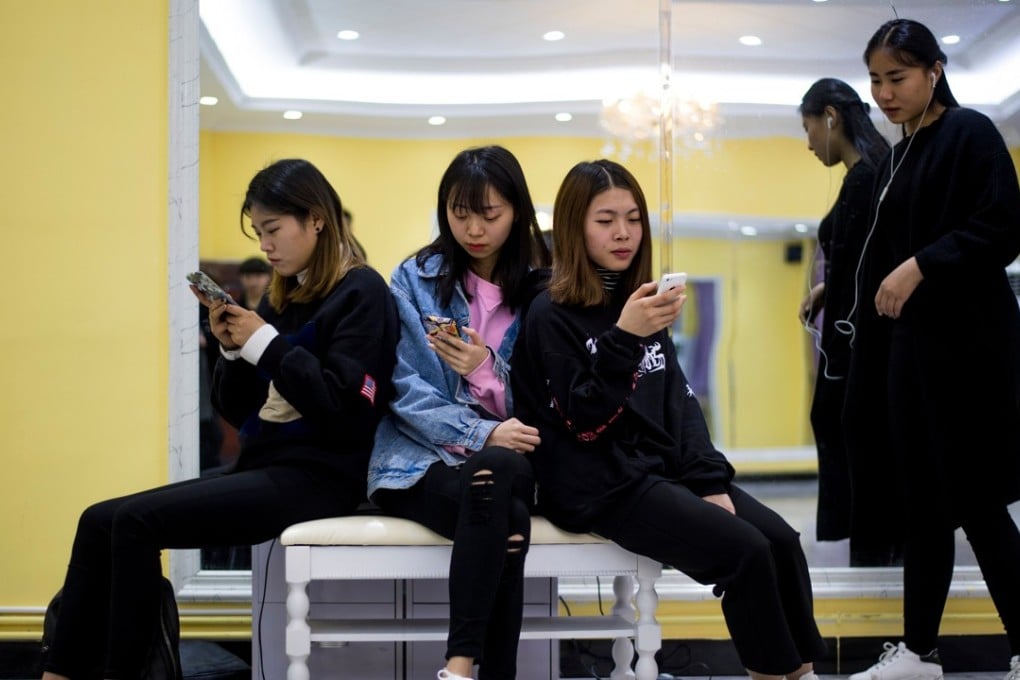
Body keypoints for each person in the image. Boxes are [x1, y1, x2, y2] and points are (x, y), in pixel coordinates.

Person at [40, 158, 398, 680]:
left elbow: (346, 409)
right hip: (267, 467)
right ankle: (59, 674)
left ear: (316, 219)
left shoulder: (362, 292)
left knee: (136, 524)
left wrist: (266, 345)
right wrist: (233, 351)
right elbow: (239, 409)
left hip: (320, 479)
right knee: (98, 518)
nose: (266, 245)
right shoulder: (286, 295)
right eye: (259, 232)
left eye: (273, 229)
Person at [510, 159, 826, 680]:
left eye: (633, 219)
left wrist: (709, 482)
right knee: (744, 551)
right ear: (573, 226)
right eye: (605, 220)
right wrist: (626, 337)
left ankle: (800, 673)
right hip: (599, 484)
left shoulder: (643, 301)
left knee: (782, 541)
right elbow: (584, 421)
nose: (623, 233)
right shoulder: (550, 313)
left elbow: (679, 402)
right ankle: (774, 674)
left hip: (658, 469)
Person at [845, 18, 1020, 680]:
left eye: (898, 78)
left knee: (976, 506)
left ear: (934, 72)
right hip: (909, 356)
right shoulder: (897, 157)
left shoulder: (969, 133)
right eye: (877, 81)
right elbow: (883, 257)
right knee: (921, 509)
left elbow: (1004, 225)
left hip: (967, 355)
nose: (885, 94)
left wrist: (923, 264)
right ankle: (917, 651)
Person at [367, 145, 550, 680]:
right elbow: (401, 387)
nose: (473, 228)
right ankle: (471, 668)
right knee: (506, 511)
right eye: (459, 212)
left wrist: (484, 370)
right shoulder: (415, 278)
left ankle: (458, 667)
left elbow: (542, 403)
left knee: (498, 472)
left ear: (516, 211)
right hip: (418, 463)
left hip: (503, 462)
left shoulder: (543, 292)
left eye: (489, 214)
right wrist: (481, 431)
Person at [796, 78, 903, 567]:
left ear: (831, 118)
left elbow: (871, 271)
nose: (809, 141)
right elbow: (861, 261)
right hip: (858, 343)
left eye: (809, 127)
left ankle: (875, 583)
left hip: (858, 351)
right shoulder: (871, 174)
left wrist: (841, 318)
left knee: (866, 471)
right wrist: (826, 287)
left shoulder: (864, 180)